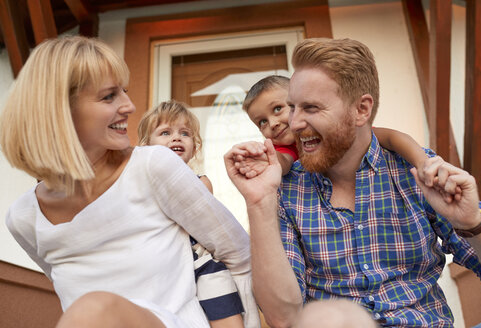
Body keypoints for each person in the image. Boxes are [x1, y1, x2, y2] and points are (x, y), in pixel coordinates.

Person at [225, 37, 481, 328]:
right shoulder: (285, 188)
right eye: (292, 107)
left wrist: (472, 223)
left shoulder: (416, 171)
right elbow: (282, 317)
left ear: (361, 110)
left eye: (311, 108)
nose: (294, 122)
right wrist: (259, 201)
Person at [0, 36, 258, 328]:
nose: (130, 106)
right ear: (60, 111)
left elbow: (239, 256)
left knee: (93, 309)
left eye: (125, 92)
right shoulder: (23, 218)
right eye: (109, 96)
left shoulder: (153, 166)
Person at [137, 100, 246, 328]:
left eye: (184, 133)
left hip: (202, 262)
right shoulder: (141, 186)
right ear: (146, 147)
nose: (176, 138)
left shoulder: (201, 182)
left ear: (194, 147)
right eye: (165, 132)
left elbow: (194, 220)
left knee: (224, 308)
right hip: (165, 266)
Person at [241, 75, 429, 177]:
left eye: (277, 109)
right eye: (262, 122)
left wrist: (423, 163)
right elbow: (283, 163)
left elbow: (392, 137)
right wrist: (265, 161)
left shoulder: (333, 129)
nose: (272, 124)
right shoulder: (281, 148)